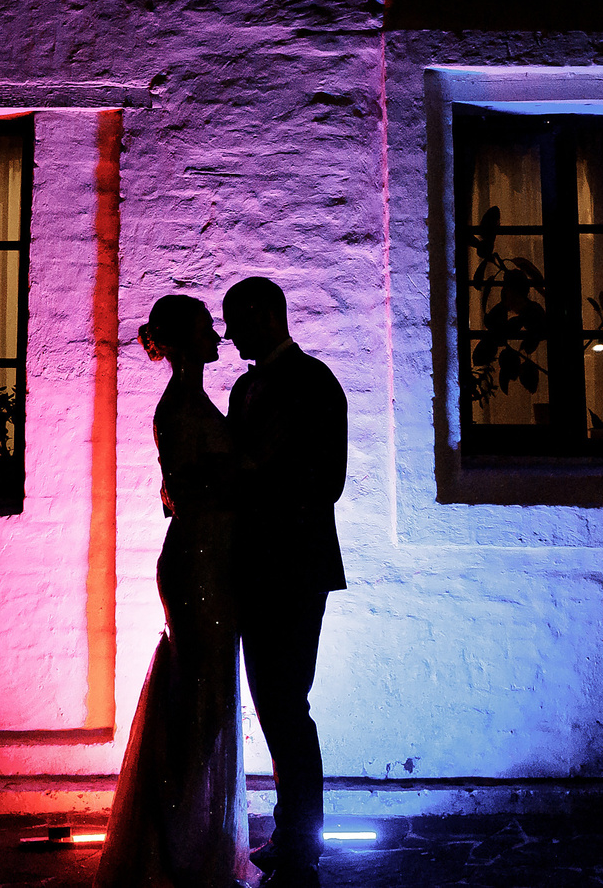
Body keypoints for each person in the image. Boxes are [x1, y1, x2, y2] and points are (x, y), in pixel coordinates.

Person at [98, 295, 253, 888]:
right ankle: (175, 843)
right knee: (199, 703)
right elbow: (185, 495)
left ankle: (190, 838)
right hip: (198, 562)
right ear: (186, 341)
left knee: (206, 699)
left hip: (212, 559)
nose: (217, 336)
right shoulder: (180, 407)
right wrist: (245, 478)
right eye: (207, 327)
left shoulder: (192, 402)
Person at [220, 276, 347, 888]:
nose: (230, 336)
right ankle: (293, 832)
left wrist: (255, 478)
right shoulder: (243, 388)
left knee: (287, 705)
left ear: (266, 315)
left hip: (295, 567)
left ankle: (301, 839)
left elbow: (328, 481)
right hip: (253, 567)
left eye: (236, 322)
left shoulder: (315, 383)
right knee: (273, 704)